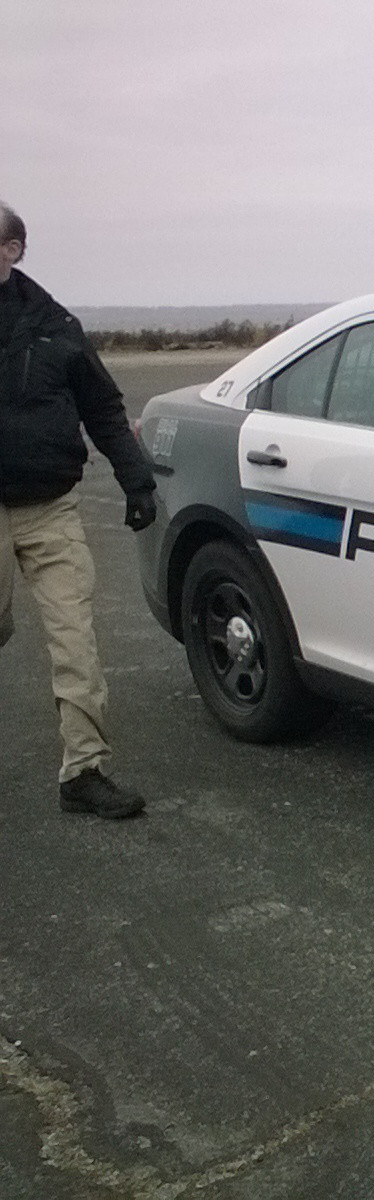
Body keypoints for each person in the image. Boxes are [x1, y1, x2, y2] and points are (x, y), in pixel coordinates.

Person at [0, 201, 156, 819]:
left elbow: (104, 407)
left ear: (13, 249)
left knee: (76, 642)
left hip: (50, 509)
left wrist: (137, 484)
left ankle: (83, 770)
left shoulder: (54, 324)